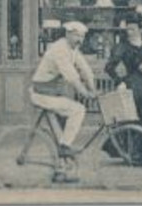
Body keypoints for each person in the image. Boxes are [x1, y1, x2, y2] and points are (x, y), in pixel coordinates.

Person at [28, 21, 99, 182]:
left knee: (60, 131)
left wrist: (93, 88)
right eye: (76, 36)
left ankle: (60, 171)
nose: (79, 40)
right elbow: (72, 77)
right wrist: (85, 93)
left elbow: (85, 69)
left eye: (82, 36)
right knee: (78, 110)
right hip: (43, 94)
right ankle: (65, 147)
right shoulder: (59, 49)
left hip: (53, 94)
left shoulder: (72, 49)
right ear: (67, 34)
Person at [105, 12, 142, 163]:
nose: (129, 32)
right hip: (131, 86)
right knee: (132, 121)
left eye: (132, 29)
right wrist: (120, 81)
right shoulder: (122, 47)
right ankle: (134, 155)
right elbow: (109, 68)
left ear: (140, 30)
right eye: (128, 29)